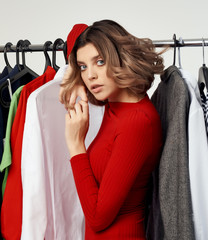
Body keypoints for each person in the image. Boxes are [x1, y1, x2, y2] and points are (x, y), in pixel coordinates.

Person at [59, 19, 165, 239]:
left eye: (100, 62)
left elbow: (98, 218)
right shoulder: (116, 103)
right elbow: (76, 35)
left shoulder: (137, 122)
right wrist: (77, 77)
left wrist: (76, 145)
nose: (91, 76)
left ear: (119, 58)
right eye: (83, 66)